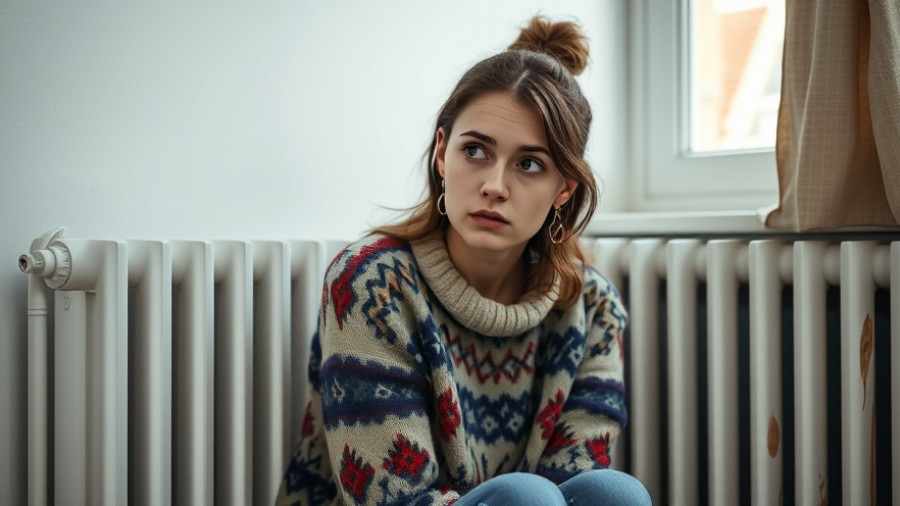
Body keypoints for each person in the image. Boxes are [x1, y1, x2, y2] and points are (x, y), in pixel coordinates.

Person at [276, 15, 651, 506]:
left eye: (529, 164)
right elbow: (391, 500)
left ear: (564, 188)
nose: (495, 185)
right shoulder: (371, 283)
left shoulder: (593, 305)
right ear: (440, 153)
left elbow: (576, 482)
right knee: (525, 498)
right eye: (475, 150)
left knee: (614, 493)